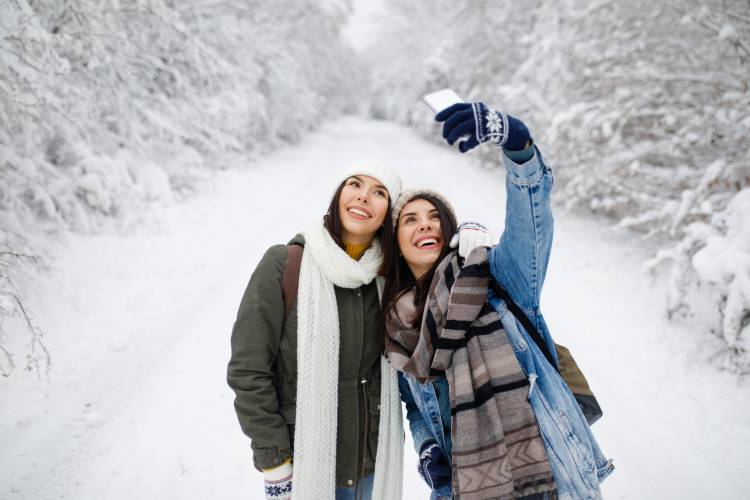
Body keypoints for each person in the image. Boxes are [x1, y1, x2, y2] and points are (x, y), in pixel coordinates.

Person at [382, 102, 614, 499]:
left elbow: (530, 221)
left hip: (551, 480)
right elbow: (416, 405)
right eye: (410, 218)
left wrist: (518, 146)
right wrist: (428, 450)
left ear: (449, 231)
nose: (424, 223)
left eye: (434, 216)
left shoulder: (496, 279)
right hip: (462, 488)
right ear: (397, 242)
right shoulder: (394, 325)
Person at [227, 159, 406, 500]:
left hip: (371, 470)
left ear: (389, 213)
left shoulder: (390, 279)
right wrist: (274, 462)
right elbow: (248, 370)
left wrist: (469, 235)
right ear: (339, 194)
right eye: (355, 184)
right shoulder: (284, 264)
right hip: (302, 467)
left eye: (379, 192)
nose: (363, 197)